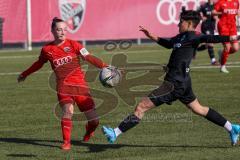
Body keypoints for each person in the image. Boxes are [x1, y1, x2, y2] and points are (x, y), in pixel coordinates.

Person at [102, 10, 240, 146]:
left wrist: (232, 38)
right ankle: (231, 128)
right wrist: (151, 36)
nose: (178, 24)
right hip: (183, 82)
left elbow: (211, 38)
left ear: (190, 23)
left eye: (181, 22)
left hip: (174, 84)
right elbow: (168, 44)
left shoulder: (195, 36)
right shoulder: (181, 37)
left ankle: (115, 133)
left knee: (141, 107)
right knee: (199, 109)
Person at [18, 17, 109, 150]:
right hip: (63, 87)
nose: (62, 32)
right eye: (59, 29)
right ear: (53, 31)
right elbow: (38, 64)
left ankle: (89, 131)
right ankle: (66, 142)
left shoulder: (74, 44)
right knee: (68, 112)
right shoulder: (47, 50)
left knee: (94, 121)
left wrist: (105, 66)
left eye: (65, 29)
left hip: (80, 87)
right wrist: (24, 74)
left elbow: (88, 57)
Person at [212, 0, 239, 73]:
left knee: (236, 48)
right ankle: (222, 66)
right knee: (227, 47)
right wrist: (221, 12)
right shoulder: (220, 2)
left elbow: (236, 13)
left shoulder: (236, 2)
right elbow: (213, 12)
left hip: (232, 27)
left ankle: (222, 53)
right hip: (223, 26)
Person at [198, 0, 218, 65]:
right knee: (210, 43)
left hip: (212, 27)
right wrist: (201, 17)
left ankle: (195, 49)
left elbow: (219, 14)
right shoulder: (204, 6)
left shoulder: (216, 6)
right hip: (205, 26)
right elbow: (197, 12)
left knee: (207, 45)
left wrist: (216, 17)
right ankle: (213, 61)